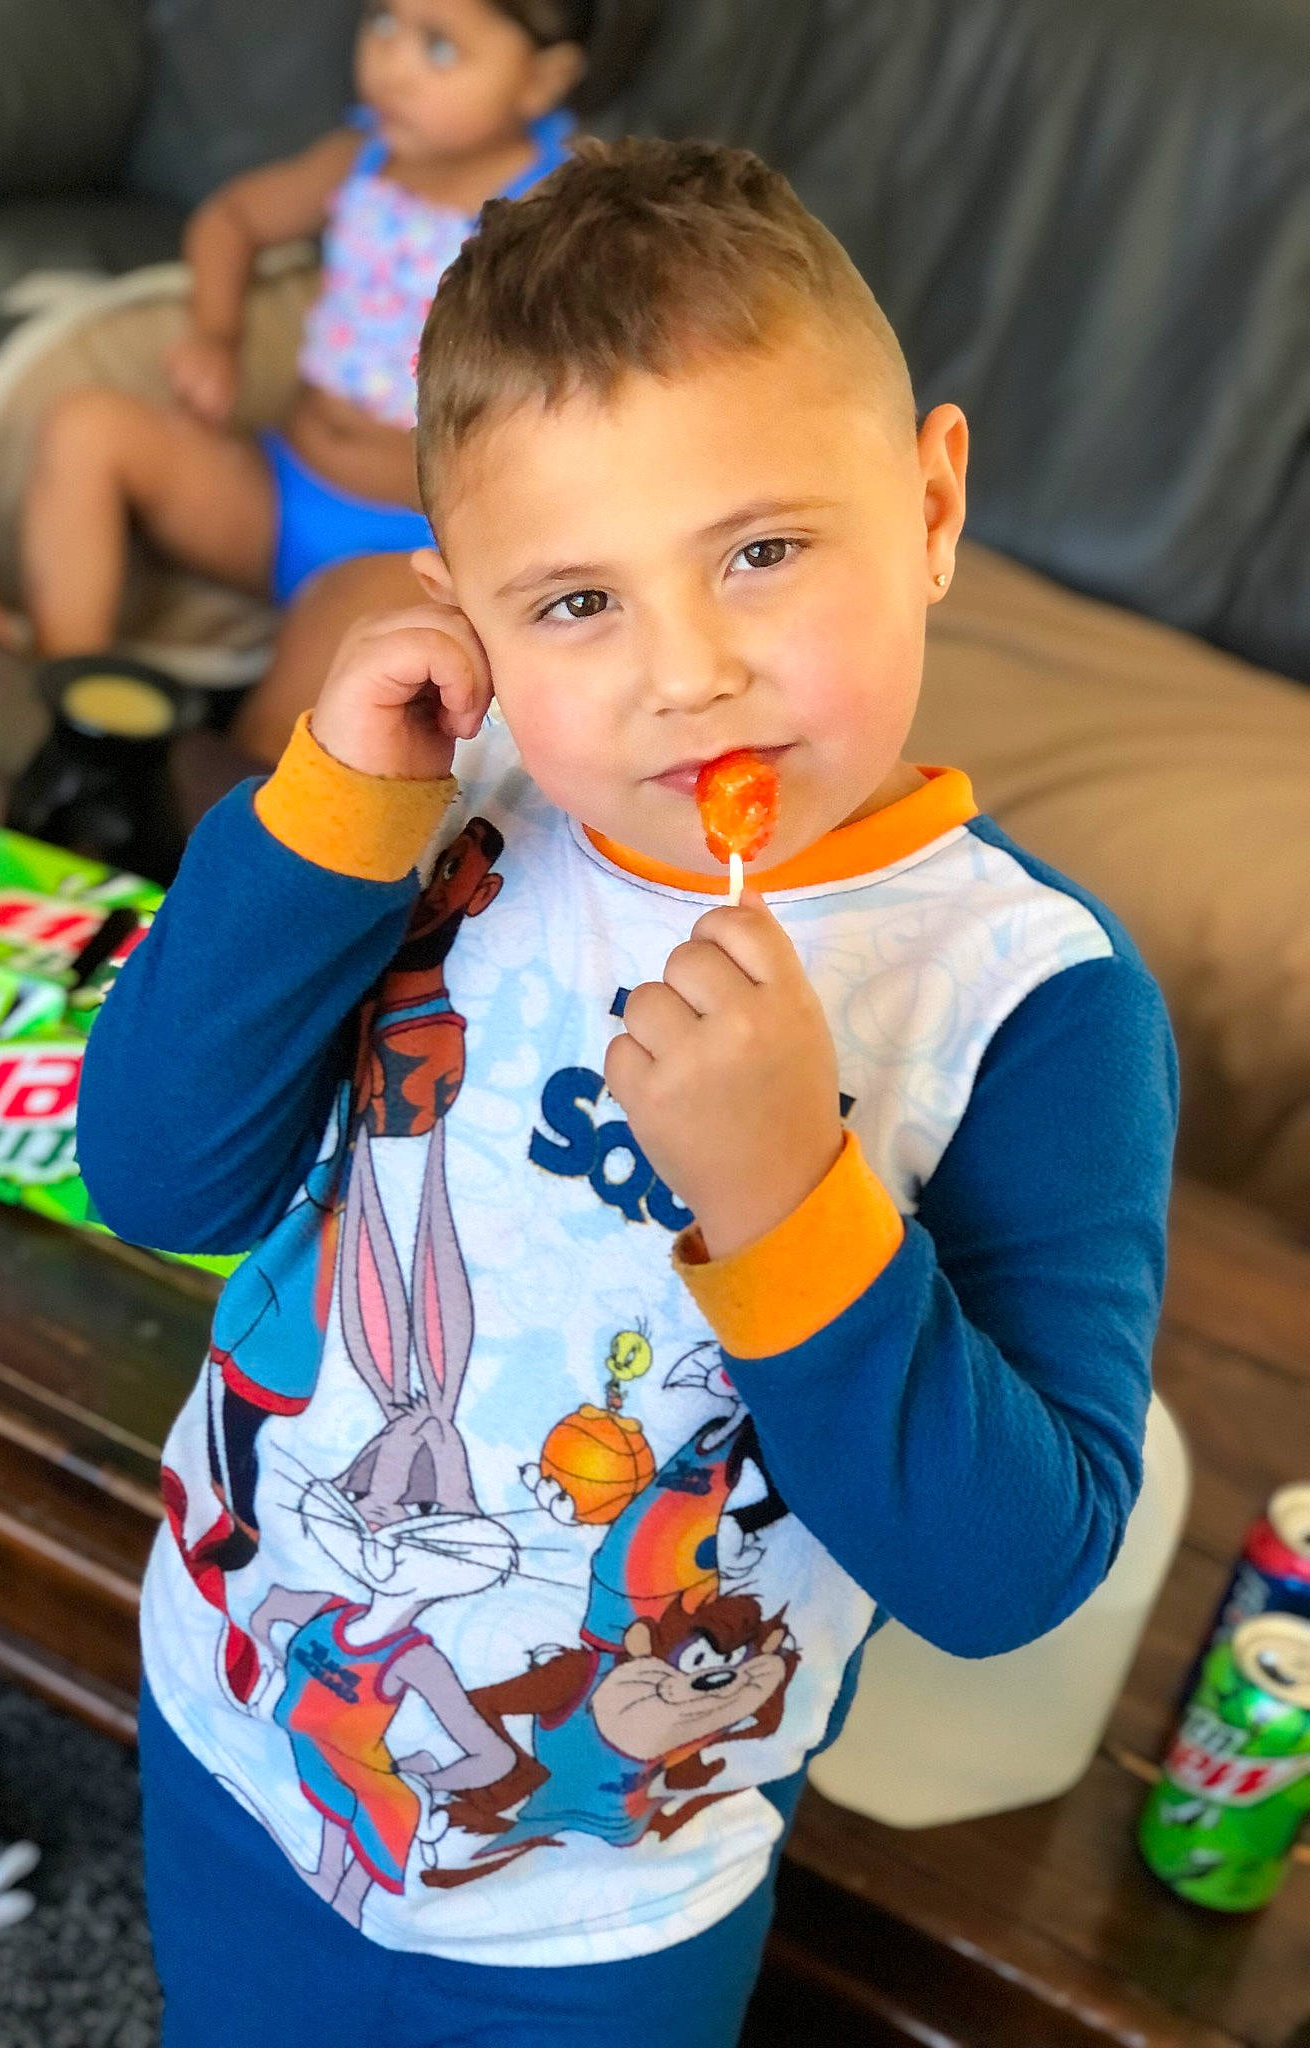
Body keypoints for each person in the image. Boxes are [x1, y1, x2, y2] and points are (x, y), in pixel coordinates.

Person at [77, 139, 1177, 2048]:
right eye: (574, 602)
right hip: (242, 1709)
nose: (690, 673)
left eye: (761, 549)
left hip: (604, 1903)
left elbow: (1015, 1570)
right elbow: (159, 1173)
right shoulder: (433, 818)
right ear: (465, 614)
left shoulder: (1032, 1010)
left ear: (927, 503)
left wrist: (787, 1197)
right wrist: (327, 819)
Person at [0, 0, 657, 763]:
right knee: (86, 426)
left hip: (410, 550)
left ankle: (210, 820)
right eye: (383, 24)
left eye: (440, 48)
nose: (392, 64)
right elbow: (231, 220)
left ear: (541, 80)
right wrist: (215, 337)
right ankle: (74, 691)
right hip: (281, 493)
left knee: (287, 735)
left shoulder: (555, 209)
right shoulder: (361, 153)